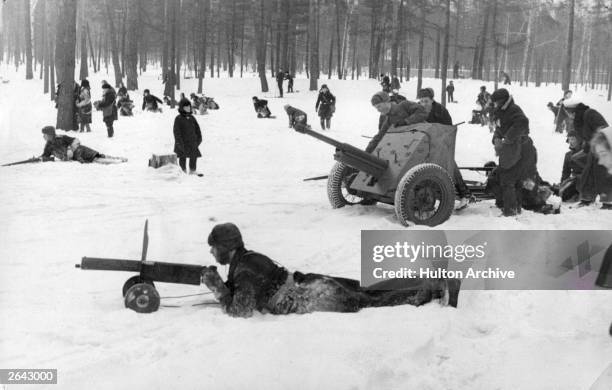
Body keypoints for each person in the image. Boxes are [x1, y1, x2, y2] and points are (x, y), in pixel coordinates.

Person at [199, 223, 460, 318]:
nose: (212, 252)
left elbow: (240, 311)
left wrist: (217, 288)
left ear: (227, 247)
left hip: (307, 296)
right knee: (367, 288)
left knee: (369, 299)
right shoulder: (248, 257)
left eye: (215, 247)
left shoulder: (243, 270)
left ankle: (431, 288)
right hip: (308, 283)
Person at [417, 88, 471, 210]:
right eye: (421, 101)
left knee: (450, 164)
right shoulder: (417, 109)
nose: (423, 104)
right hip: (423, 143)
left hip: (441, 143)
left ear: (432, 100)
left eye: (426, 101)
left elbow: (448, 130)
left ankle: (464, 194)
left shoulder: (441, 111)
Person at [490, 88, 537, 216]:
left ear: (501, 101)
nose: (494, 105)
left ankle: (510, 211)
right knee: (512, 179)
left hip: (521, 148)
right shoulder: (500, 111)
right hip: (512, 149)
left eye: (495, 102)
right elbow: (499, 128)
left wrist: (507, 138)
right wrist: (496, 138)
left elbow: (523, 123)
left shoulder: (513, 110)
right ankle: (515, 208)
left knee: (508, 179)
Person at [563, 99, 611, 208]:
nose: (569, 116)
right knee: (588, 174)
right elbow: (587, 136)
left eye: (570, 113)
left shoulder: (590, 114)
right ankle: (586, 199)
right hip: (593, 150)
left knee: (603, 175)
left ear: (574, 111)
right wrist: (585, 149)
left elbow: (604, 129)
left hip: (604, 148)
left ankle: (608, 202)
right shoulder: (579, 120)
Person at [39, 126, 126, 164]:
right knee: (95, 159)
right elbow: (45, 156)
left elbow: (75, 140)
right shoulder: (49, 146)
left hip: (80, 150)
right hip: (76, 157)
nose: (43, 137)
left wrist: (70, 149)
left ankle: (117, 160)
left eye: (45, 135)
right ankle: (117, 160)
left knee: (97, 157)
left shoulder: (61, 137)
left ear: (50, 135)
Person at [173, 99, 203, 175]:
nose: (188, 108)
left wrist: (198, 139)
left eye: (189, 106)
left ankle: (193, 170)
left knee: (193, 156)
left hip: (193, 142)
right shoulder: (178, 119)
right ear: (182, 108)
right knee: (182, 157)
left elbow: (197, 129)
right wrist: (179, 142)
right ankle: (183, 171)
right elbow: (176, 132)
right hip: (182, 142)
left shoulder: (192, 118)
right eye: (186, 107)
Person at [558, 130, 586, 202]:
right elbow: (566, 172)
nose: (570, 141)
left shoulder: (587, 153)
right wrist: (563, 183)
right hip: (575, 181)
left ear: (579, 140)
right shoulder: (568, 155)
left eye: (573, 139)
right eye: (569, 139)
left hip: (586, 181)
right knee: (563, 195)